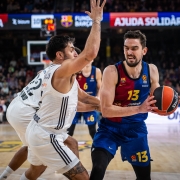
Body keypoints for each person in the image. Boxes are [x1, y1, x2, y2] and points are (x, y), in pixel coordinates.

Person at [20, 0, 106, 180]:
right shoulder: (62, 71)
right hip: (47, 136)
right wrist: (96, 21)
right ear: (60, 55)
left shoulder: (59, 74)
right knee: (83, 177)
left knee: (34, 172)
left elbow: (84, 99)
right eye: (72, 50)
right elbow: (90, 54)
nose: (76, 54)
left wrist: (107, 106)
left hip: (38, 130)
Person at [0, 47, 86, 180]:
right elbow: (79, 104)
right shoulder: (62, 76)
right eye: (76, 58)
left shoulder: (51, 71)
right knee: (66, 144)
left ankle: (5, 176)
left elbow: (79, 102)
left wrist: (102, 106)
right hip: (25, 111)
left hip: (18, 106)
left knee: (34, 151)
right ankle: (72, 171)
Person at [90, 30, 159, 180]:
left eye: (134, 48)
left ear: (144, 50)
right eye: (126, 48)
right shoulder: (111, 71)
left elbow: (157, 101)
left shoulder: (152, 70)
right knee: (97, 168)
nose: (129, 52)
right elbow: (106, 110)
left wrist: (170, 103)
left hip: (136, 129)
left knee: (144, 178)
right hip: (110, 129)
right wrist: (139, 108)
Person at [68, 61, 102, 139]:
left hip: (90, 105)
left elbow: (100, 88)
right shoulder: (77, 71)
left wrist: (98, 97)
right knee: (69, 131)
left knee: (92, 131)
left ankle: (97, 149)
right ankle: (65, 149)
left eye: (89, 59)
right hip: (77, 104)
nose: (87, 61)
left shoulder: (96, 71)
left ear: (93, 59)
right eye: (86, 59)